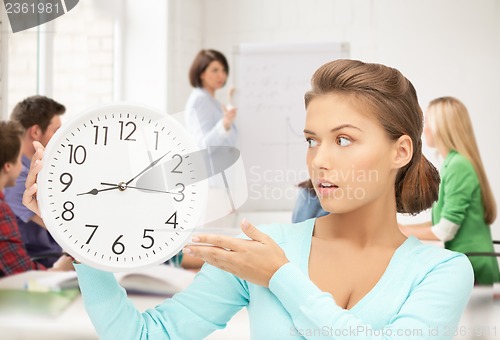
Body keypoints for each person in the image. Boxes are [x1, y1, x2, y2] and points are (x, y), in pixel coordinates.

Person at [24, 60, 474, 339]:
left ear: (401, 150)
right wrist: (78, 238)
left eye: (343, 140)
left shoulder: (442, 271)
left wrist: (280, 277)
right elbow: (144, 335)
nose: (319, 160)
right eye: (312, 140)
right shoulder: (266, 248)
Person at [399, 96, 499, 285]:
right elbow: (441, 221)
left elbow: (445, 231)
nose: (424, 128)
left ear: (443, 126)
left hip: (474, 264)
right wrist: (400, 228)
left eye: (428, 121)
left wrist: (402, 231)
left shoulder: (458, 166)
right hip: (466, 262)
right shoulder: (451, 163)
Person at [0, 121, 72, 277]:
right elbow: (21, 273)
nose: (23, 166)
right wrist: (59, 270)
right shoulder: (2, 211)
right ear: (8, 166)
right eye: (19, 159)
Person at [4, 95, 65, 267]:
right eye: (56, 130)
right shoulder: (16, 182)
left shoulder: (42, 169)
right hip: (40, 265)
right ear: (36, 131)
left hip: (53, 259)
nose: (60, 136)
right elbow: (61, 226)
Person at [185, 49, 238, 150]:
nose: (221, 75)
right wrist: (224, 124)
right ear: (202, 74)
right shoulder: (201, 99)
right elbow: (203, 145)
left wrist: (232, 102)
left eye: (224, 70)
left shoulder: (209, 99)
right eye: (215, 70)